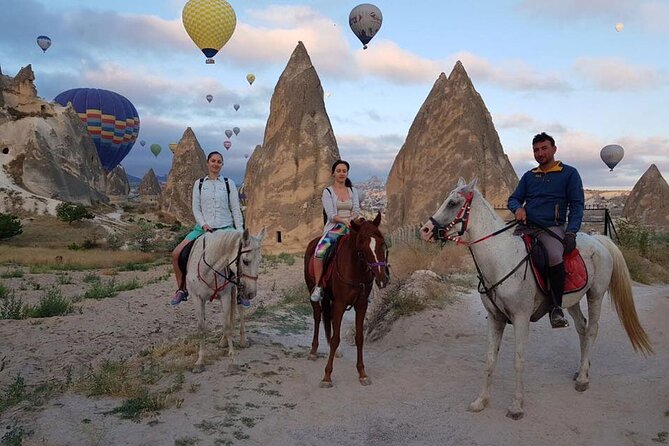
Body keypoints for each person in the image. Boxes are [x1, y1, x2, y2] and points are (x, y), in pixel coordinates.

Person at [508, 132, 584, 329]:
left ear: (554, 149)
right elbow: (513, 198)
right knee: (505, 253)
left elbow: (577, 205)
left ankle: (556, 308)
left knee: (553, 255)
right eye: (536, 150)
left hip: (551, 228)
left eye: (544, 148)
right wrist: (518, 208)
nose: (539, 153)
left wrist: (571, 232)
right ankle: (505, 302)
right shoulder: (529, 176)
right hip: (526, 227)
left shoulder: (569, 173)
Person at [170, 151, 247, 306]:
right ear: (207, 162)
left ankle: (241, 291)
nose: (216, 164)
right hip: (203, 228)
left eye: (219, 162)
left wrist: (239, 231)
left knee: (242, 256)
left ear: (222, 165)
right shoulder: (199, 184)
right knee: (176, 253)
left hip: (226, 228)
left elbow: (235, 208)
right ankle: (181, 289)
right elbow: (196, 208)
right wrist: (204, 224)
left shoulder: (228, 183)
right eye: (213, 161)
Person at [310, 160, 362, 302]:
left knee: (366, 247)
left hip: (352, 226)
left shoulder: (353, 191)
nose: (341, 173)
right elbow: (331, 214)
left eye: (344, 171)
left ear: (347, 173)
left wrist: (351, 219)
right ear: (333, 173)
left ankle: (364, 286)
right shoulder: (328, 192)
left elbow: (356, 210)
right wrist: (344, 220)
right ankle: (318, 285)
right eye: (338, 170)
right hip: (335, 227)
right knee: (320, 251)